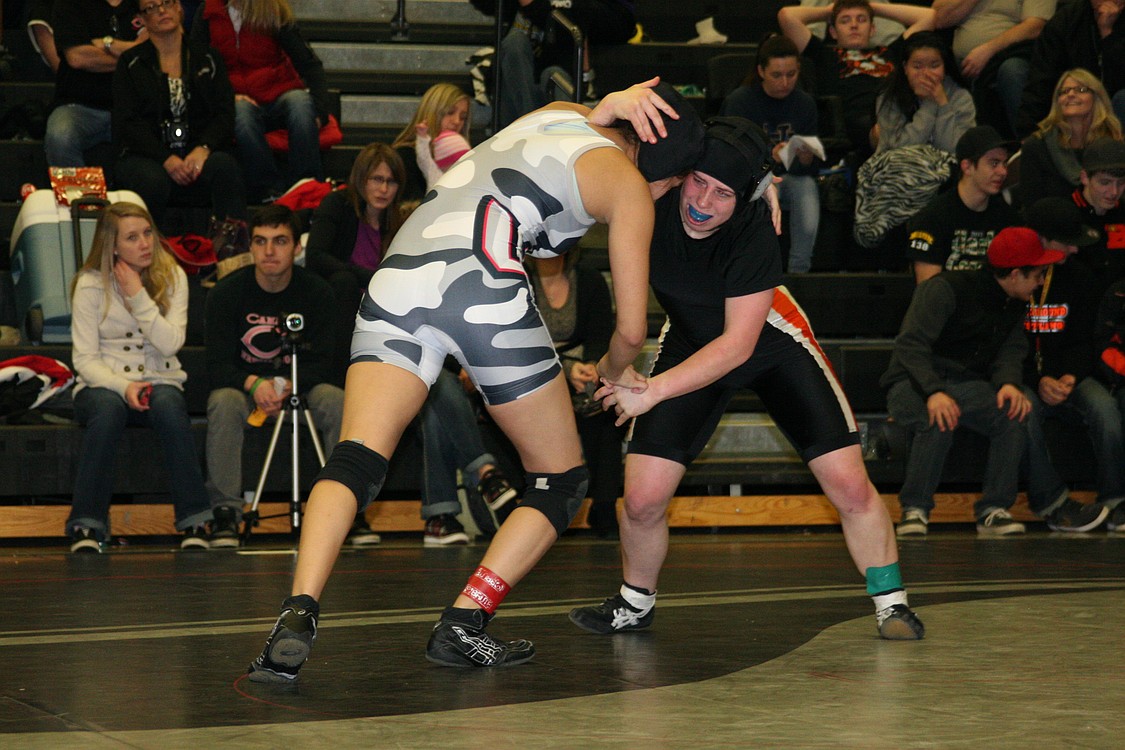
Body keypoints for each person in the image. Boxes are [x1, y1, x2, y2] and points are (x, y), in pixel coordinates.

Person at [245, 79, 705, 682]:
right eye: (675, 184)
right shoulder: (629, 185)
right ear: (662, 165)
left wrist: (612, 105)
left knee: (356, 456)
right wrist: (613, 378)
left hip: (400, 270)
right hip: (480, 284)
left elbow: (580, 136)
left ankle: (298, 610)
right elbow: (627, 331)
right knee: (560, 480)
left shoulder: (560, 111)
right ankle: (465, 621)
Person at [568, 117, 924, 641]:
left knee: (848, 481)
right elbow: (591, 142)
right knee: (642, 498)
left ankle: (892, 604)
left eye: (723, 194)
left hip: (769, 340)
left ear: (747, 197)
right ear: (681, 174)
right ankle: (634, 602)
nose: (704, 203)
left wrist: (655, 389)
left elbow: (738, 345)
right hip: (691, 336)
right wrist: (613, 104)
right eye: (699, 183)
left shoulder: (756, 229)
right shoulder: (649, 195)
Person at [883, 226, 1064, 538]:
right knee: (939, 416)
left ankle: (994, 509)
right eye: (1038, 274)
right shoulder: (945, 289)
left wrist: (1008, 382)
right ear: (1016, 274)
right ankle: (915, 508)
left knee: (1013, 411)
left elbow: (1012, 349)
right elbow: (911, 346)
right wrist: (933, 391)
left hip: (964, 385)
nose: (1041, 282)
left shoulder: (1015, 301)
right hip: (911, 382)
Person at [66, 202, 214, 553]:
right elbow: (84, 360)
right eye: (132, 238)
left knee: (168, 407)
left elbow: (172, 343)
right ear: (112, 245)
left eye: (148, 233)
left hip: (159, 378)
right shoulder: (88, 285)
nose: (145, 243)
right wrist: (125, 386)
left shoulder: (173, 275)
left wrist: (137, 294)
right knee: (107, 411)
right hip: (103, 383)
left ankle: (195, 519)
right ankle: (87, 524)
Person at [203, 204, 346, 548]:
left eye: (280, 241)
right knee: (222, 400)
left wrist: (291, 384)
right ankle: (226, 513)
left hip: (303, 383)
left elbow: (329, 361)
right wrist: (254, 384)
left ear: (297, 247)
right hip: (247, 385)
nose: (269, 251)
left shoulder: (317, 293)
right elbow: (215, 364)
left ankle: (347, 512)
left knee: (338, 399)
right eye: (261, 241)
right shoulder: (225, 294)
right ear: (250, 247)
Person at [1021, 197, 1117, 532]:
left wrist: (1070, 376)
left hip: (1069, 375)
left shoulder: (1080, 278)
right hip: (1028, 377)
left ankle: (1116, 499)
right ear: (1042, 240)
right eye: (1067, 243)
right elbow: (1007, 346)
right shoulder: (1015, 276)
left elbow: (1088, 340)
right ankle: (1053, 503)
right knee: (1023, 410)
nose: (1075, 250)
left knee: (1105, 408)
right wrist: (1038, 380)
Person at [112, 0, 247, 235]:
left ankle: (232, 255)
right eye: (151, 8)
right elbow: (127, 123)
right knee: (151, 181)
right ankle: (147, 255)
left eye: (167, 3)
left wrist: (203, 149)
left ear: (179, 9)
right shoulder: (130, 63)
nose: (162, 10)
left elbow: (225, 114)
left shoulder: (208, 58)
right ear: (141, 20)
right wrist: (166, 159)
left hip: (197, 154)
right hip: (149, 157)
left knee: (225, 167)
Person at [192, 0, 329, 202]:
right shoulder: (206, 13)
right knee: (240, 113)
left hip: (279, 95)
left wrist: (319, 111)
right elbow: (196, 67)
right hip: (237, 100)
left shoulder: (272, 9)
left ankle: (308, 185)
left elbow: (310, 64)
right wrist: (227, 97)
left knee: (300, 103)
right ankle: (268, 190)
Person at [526, 252, 624, 536]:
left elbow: (601, 333)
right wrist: (565, 368)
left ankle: (604, 504)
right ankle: (540, 503)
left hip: (581, 367)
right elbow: (515, 338)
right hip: (531, 368)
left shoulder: (589, 279)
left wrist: (591, 366)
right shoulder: (516, 277)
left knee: (605, 403)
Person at [777, 0, 935, 155]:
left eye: (862, 19)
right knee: (885, 129)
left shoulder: (891, 52)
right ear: (833, 31)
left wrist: (871, 7)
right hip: (854, 124)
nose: (854, 25)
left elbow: (930, 16)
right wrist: (831, 10)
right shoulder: (823, 54)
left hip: (896, 115)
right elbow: (787, 16)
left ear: (872, 29)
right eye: (845, 21)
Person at [720, 35, 822, 273]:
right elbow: (729, 157)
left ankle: (799, 271)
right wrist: (770, 157)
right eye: (777, 75)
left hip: (790, 179)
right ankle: (750, 272)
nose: (785, 82)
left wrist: (807, 159)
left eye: (792, 75)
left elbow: (811, 165)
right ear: (761, 71)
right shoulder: (741, 102)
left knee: (807, 188)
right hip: (750, 181)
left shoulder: (805, 103)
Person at [305, 142, 407, 372]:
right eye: (377, 179)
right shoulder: (337, 204)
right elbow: (316, 256)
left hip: (380, 306)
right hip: (339, 302)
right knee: (344, 281)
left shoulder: (398, 220)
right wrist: (369, 278)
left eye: (391, 181)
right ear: (361, 179)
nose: (383, 189)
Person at [469, 0, 637, 127]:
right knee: (514, 43)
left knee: (553, 74)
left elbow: (622, 23)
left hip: (565, 71)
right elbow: (486, 4)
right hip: (514, 84)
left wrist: (536, 6)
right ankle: (531, 130)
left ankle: (538, 134)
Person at [906, 125, 1021, 283]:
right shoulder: (932, 219)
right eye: (994, 163)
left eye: (1004, 163)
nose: (1003, 172)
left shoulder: (1008, 219)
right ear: (967, 167)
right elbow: (929, 295)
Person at [45, 0, 147, 167]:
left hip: (138, 108)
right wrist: (136, 52)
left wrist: (107, 44)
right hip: (80, 105)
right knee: (60, 135)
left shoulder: (145, 3)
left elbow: (159, 47)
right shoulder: (69, 4)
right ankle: (78, 193)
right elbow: (78, 58)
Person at [932, 0, 1055, 137]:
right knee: (927, 65)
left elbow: (1035, 26)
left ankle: (1030, 144)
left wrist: (989, 50)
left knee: (1012, 71)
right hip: (961, 64)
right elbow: (939, 18)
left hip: (1014, 54)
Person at [1015, 0, 1125, 139]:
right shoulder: (1066, 20)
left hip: (1116, 111)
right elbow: (1041, 80)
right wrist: (1029, 135)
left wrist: (1108, 36)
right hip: (1073, 112)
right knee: (1015, 72)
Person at [1018, 69, 1124, 209]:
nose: (1071, 94)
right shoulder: (1037, 146)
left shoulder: (1116, 144)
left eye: (1080, 89)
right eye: (1064, 91)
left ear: (1097, 97)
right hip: (1057, 226)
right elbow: (1031, 206)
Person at [871, 32, 975, 155]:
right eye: (917, 66)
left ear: (945, 67)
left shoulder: (960, 97)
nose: (926, 74)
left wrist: (942, 104)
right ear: (905, 68)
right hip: (898, 170)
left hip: (946, 170)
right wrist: (930, 103)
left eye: (934, 66)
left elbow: (956, 150)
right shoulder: (890, 96)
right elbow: (898, 149)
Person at [390, 83, 472, 204]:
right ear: (431, 112)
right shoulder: (403, 156)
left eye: (463, 117)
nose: (456, 121)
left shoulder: (464, 158)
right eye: (450, 112)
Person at [1070, 137, 1125, 294]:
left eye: (1121, 183)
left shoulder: (1122, 212)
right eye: (1105, 182)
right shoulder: (1066, 214)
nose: (1114, 192)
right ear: (1085, 178)